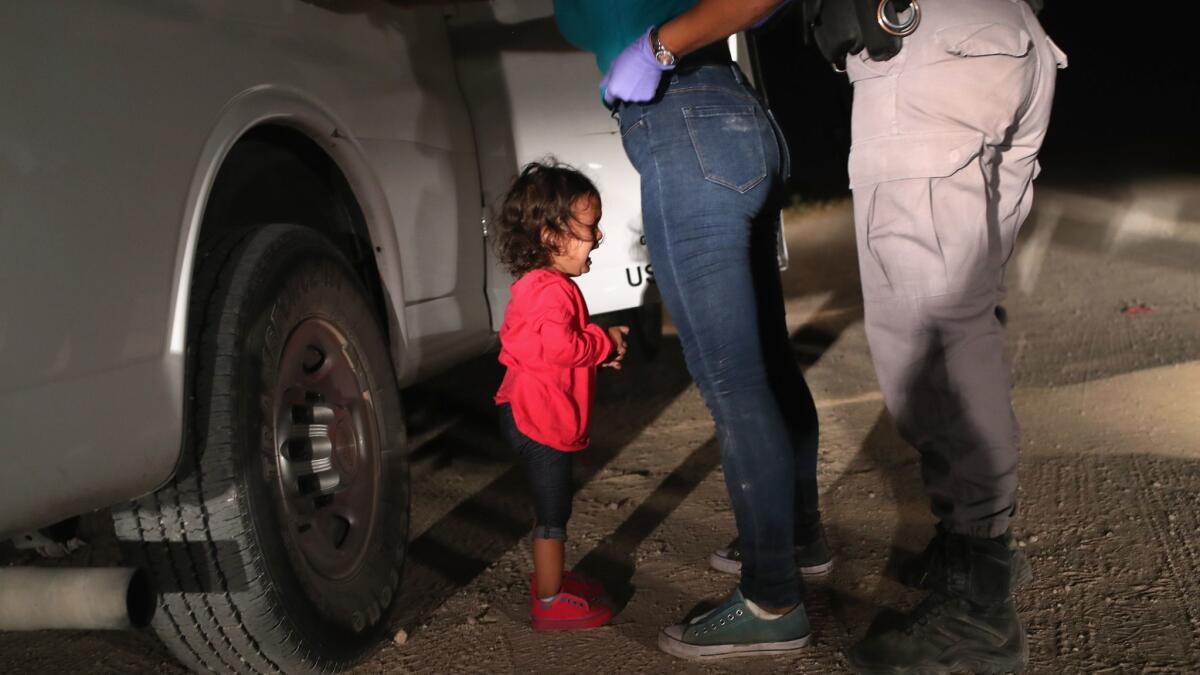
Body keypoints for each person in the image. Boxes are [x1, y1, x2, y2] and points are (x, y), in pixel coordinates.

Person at [554, 0, 830, 659]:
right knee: (765, 360)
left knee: (734, 380)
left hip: (684, 126)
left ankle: (772, 599)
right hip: (731, 118)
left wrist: (657, 49)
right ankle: (796, 536)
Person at [804, 0, 1066, 671]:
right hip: (1008, 38)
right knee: (964, 314)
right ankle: (974, 550)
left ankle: (979, 609)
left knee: (932, 333)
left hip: (928, 43)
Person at [493, 161, 630, 631]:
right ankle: (549, 600)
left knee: (553, 506)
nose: (597, 237)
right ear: (552, 236)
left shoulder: (544, 287)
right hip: (538, 420)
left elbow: (553, 348)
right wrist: (603, 343)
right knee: (553, 511)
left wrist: (596, 350)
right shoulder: (550, 291)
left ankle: (554, 581)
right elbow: (559, 347)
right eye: (588, 228)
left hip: (528, 411)